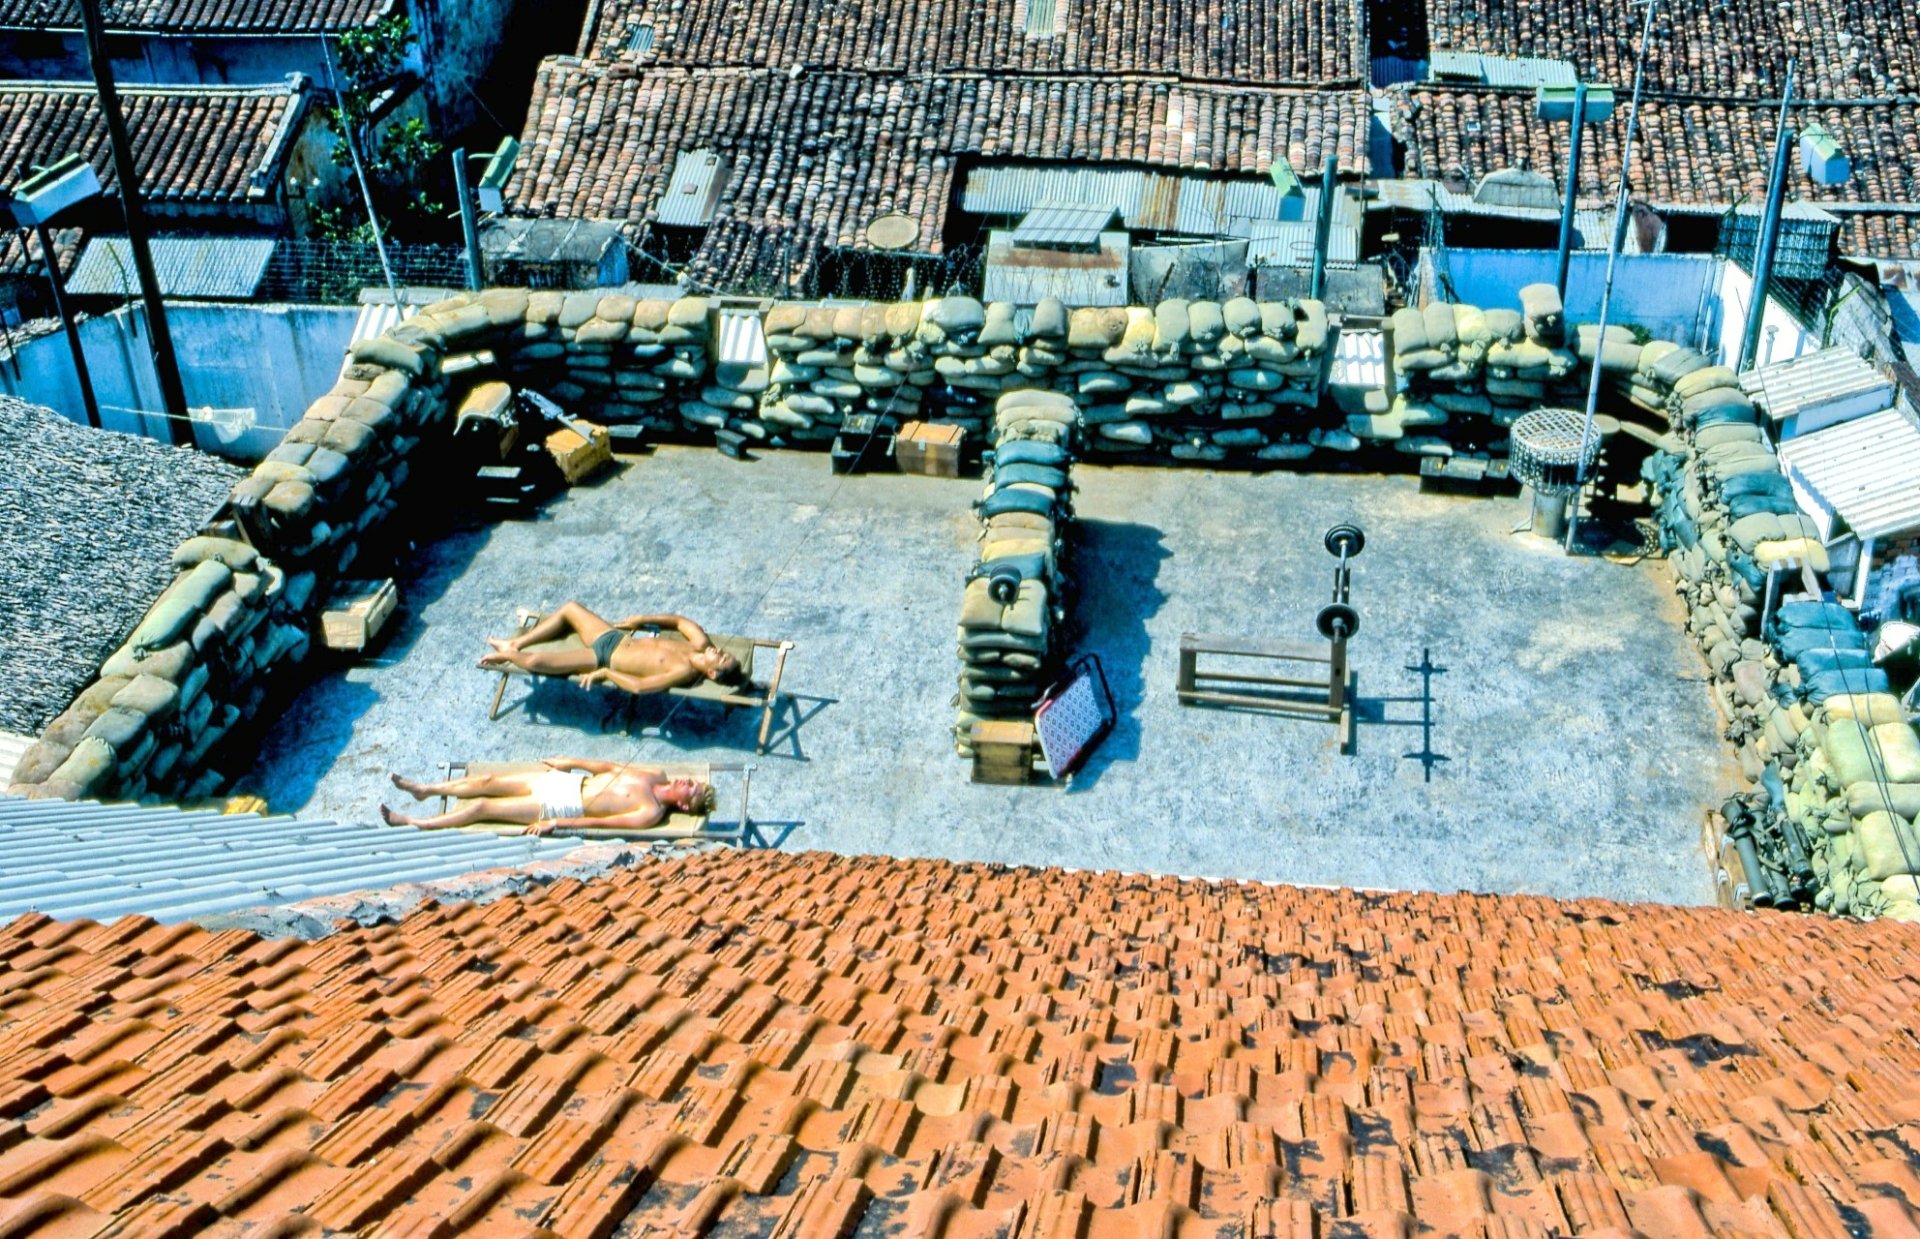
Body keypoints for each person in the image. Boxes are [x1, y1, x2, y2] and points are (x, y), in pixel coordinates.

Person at [380, 757, 716, 835]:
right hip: (567, 782)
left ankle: (415, 822)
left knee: (483, 806)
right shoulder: (656, 774)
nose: (689, 781)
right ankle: (425, 790)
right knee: (488, 779)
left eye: (693, 789)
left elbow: (600, 823)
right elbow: (608, 765)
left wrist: (557, 822)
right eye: (694, 782)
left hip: (563, 804)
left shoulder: (650, 812)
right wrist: (570, 761)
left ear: (684, 804)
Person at [478, 601, 745, 694]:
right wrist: (643, 619)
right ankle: (516, 642)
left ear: (711, 674)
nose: (720, 651)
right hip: (614, 637)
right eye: (725, 652)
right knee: (571, 608)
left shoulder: (683, 671)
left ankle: (510, 655)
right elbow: (679, 622)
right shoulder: (701, 644)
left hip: (602, 657)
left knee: (535, 663)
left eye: (721, 659)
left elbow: (640, 687)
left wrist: (607, 674)